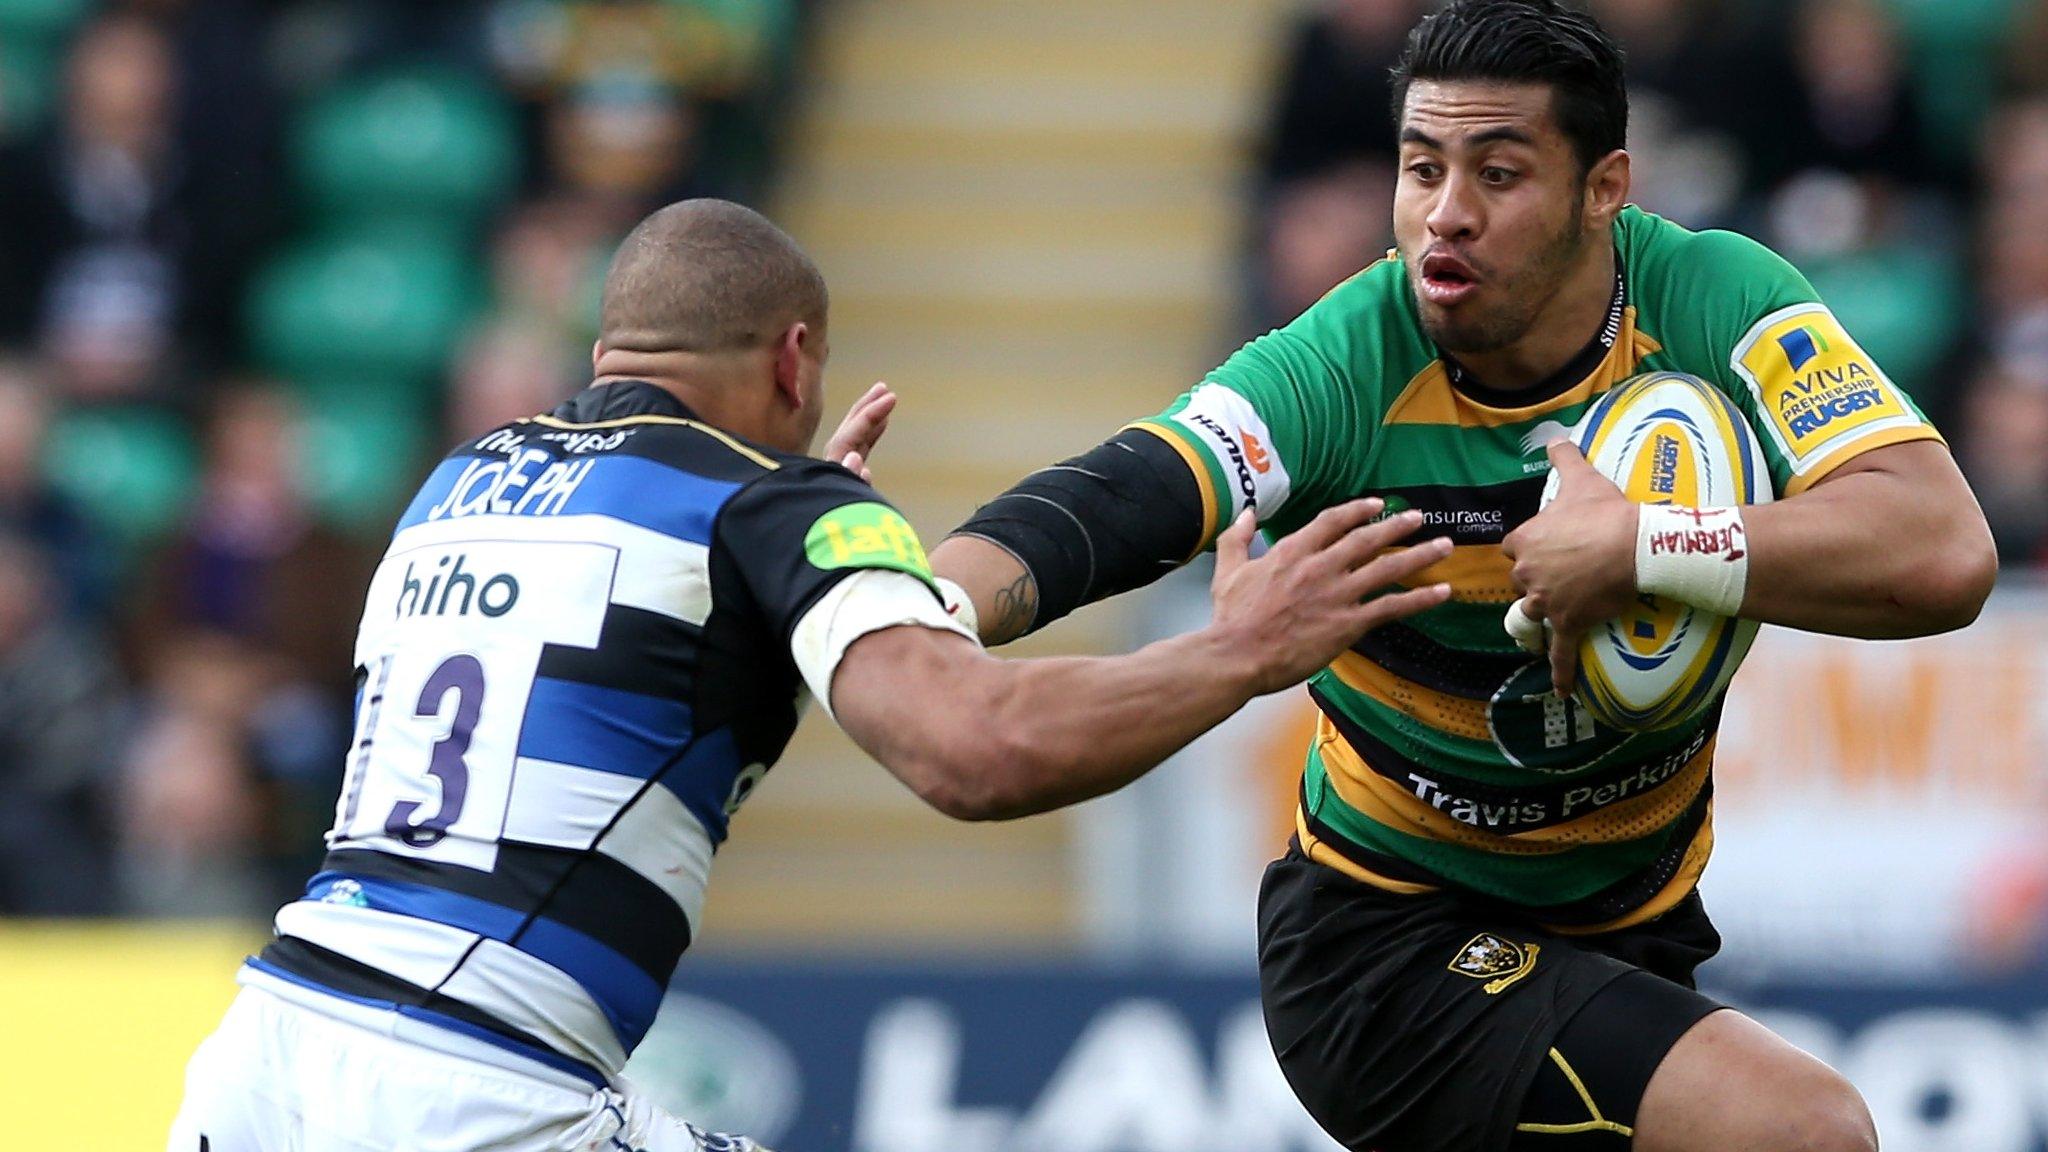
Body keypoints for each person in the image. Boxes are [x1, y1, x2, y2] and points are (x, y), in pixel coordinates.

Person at [928, 3, 1998, 1151]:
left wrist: (1647, 542)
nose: (1445, 214)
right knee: (1799, 1131)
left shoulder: (1715, 300)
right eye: (1419, 168)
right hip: (1383, 943)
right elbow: (1112, 498)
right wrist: (915, 607)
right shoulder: (1344, 359)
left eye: (1496, 172)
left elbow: (1940, 551)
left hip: (1631, 924)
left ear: (1604, 187)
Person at [167, 198, 1452, 1151]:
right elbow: (976, 749)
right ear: (794, 363)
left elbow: (630, 690)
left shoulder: (453, 484)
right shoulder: (772, 513)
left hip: (265, 1052)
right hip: (473, 1082)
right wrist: (1238, 653)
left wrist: (808, 578)